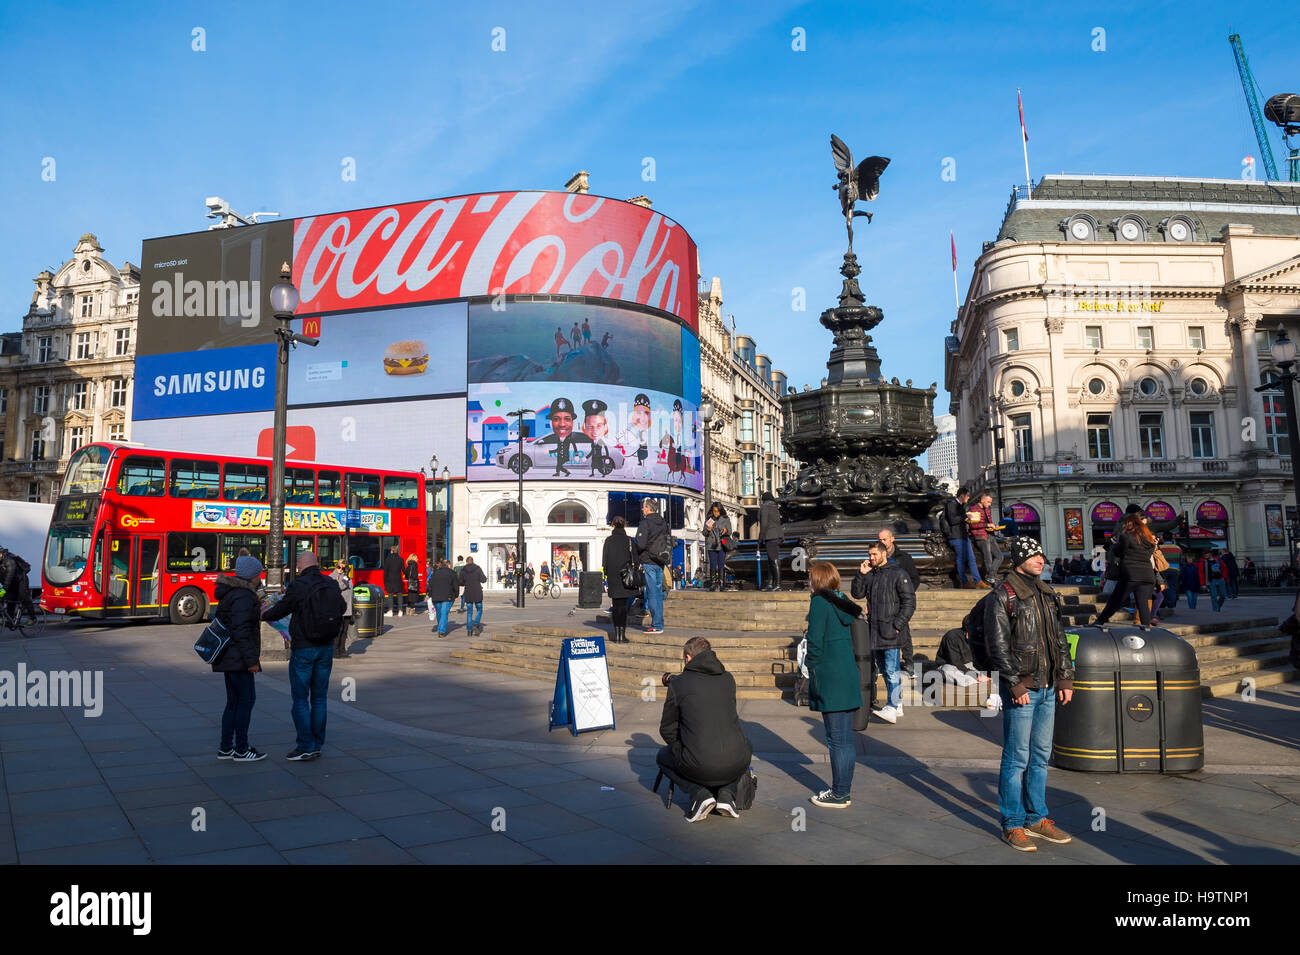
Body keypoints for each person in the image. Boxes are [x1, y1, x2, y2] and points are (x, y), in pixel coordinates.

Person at [983, 536, 1074, 852]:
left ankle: (1037, 818)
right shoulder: (1004, 595)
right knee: (1016, 757)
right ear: (1019, 558)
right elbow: (998, 646)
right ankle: (1012, 823)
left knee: (1040, 756)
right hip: (1023, 689)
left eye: (1041, 554)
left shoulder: (1047, 593)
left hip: (1048, 687)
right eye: (1033, 554)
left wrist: (1065, 678)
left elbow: (1059, 639)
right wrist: (1014, 683)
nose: (1040, 559)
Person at [658, 637, 754, 821]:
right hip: (735, 759)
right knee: (745, 748)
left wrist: (684, 745)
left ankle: (699, 794)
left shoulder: (679, 683)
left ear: (688, 658)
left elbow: (667, 729)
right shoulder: (728, 679)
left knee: (663, 756)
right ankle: (727, 793)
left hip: (699, 763)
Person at [262, 550, 344, 761]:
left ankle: (305, 745)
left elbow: (280, 610)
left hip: (304, 647)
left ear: (301, 564)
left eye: (297, 565)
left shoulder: (299, 585)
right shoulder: (330, 583)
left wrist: (263, 613)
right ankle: (317, 743)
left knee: (300, 698)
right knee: (319, 698)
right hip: (326, 646)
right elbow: (342, 607)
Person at [804, 561, 863, 809]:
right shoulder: (841, 600)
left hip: (830, 676)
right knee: (846, 740)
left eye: (810, 579)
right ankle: (842, 789)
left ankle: (840, 793)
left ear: (818, 581)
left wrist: (811, 667)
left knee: (836, 740)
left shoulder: (819, 601)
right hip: (848, 675)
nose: (808, 583)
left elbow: (814, 640)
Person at [852, 541, 916, 723]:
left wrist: (898, 624)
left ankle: (892, 706)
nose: (871, 558)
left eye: (874, 554)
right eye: (869, 555)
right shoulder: (871, 574)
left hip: (890, 631)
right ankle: (897, 702)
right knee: (886, 670)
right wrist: (860, 574)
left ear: (883, 553)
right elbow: (857, 594)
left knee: (891, 669)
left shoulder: (898, 573)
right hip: (875, 631)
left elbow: (909, 602)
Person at [213, 554, 266, 761]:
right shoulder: (243, 597)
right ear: (251, 575)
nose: (260, 577)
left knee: (233, 703)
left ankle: (226, 747)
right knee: (246, 701)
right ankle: (242, 749)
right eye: (258, 573)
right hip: (238, 658)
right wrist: (251, 661)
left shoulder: (232, 593)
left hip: (229, 656)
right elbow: (242, 630)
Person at [1093, 512, 1158, 630]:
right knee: (1143, 604)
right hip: (1147, 575)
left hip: (1130, 575)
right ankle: (1146, 628)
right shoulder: (1149, 539)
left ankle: (1100, 621)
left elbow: (1118, 551)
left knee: (1116, 600)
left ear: (1129, 523)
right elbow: (1148, 554)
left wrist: (1114, 544)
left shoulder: (1126, 536)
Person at [877, 528, 918, 671]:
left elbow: (914, 578)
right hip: (883, 601)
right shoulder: (877, 557)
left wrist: (906, 593)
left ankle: (908, 661)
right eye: (880, 540)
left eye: (885, 539)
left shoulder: (904, 558)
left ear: (892, 539)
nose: (882, 542)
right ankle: (883, 664)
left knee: (903, 629)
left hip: (900, 600)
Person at [636, 498, 670, 634]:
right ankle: (659, 622)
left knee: (652, 593)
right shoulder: (663, 522)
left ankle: (656, 624)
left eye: (644, 507)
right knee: (658, 591)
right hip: (660, 560)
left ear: (648, 508)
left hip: (649, 560)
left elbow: (641, 544)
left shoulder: (645, 523)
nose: (642, 509)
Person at [602, 517, 638, 643]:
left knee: (616, 605)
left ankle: (616, 634)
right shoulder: (629, 540)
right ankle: (622, 635)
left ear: (613, 525)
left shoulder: (608, 541)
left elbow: (604, 560)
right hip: (625, 576)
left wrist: (607, 573)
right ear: (624, 525)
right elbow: (635, 558)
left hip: (613, 577)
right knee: (623, 606)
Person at [941, 487, 980, 588]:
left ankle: (978, 581)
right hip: (955, 536)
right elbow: (953, 520)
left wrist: (967, 519)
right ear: (962, 495)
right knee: (961, 559)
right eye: (967, 495)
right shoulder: (951, 504)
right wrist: (966, 516)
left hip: (962, 535)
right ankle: (964, 581)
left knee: (971, 558)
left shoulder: (960, 505)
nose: (969, 497)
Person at [967, 491, 1004, 587]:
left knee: (1000, 556)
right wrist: (987, 525)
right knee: (988, 559)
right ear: (982, 500)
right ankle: (990, 577)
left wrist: (994, 527)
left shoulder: (987, 509)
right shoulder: (973, 509)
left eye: (990, 502)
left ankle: (991, 575)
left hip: (990, 535)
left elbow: (989, 522)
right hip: (981, 536)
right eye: (988, 502)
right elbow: (972, 525)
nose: (990, 504)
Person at [0, 546, 37, 624]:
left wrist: (3, 590)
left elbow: (9, 577)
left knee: (23, 597)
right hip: (10, 583)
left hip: (21, 580)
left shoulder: (10, 562)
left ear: (2, 553)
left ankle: (32, 617)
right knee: (10, 600)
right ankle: (11, 620)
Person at [758, 491, 784, 592]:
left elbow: (764, 524)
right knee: (771, 560)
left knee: (773, 560)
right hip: (778, 536)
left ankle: (777, 584)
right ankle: (770, 583)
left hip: (770, 536)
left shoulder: (764, 508)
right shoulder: (775, 508)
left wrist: (760, 538)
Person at [428, 558, 459, 636]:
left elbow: (430, 585)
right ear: (449, 565)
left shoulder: (435, 573)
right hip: (447, 596)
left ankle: (440, 627)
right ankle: (441, 630)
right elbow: (456, 586)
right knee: (444, 613)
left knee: (439, 613)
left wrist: (430, 595)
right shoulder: (452, 573)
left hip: (436, 596)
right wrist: (456, 595)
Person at [704, 503, 731, 592]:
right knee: (712, 564)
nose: (716, 513)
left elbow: (730, 531)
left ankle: (722, 584)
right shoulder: (710, 519)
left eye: (717, 511)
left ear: (720, 511)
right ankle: (713, 584)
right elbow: (704, 533)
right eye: (714, 511)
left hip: (721, 545)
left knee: (721, 565)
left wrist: (726, 531)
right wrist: (707, 530)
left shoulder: (725, 519)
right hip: (711, 545)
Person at [460, 555, 487, 636]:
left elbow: (460, 582)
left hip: (468, 592)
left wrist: (466, 582)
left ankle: (469, 630)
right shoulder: (478, 569)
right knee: (479, 609)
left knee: (469, 612)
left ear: (466, 562)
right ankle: (476, 624)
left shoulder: (463, 570)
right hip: (477, 592)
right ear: (473, 561)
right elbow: (483, 579)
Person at [330, 560, 353, 651]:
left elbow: (351, 592)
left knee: (344, 631)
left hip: (347, 608)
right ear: (336, 567)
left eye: (343, 568)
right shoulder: (332, 577)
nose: (341, 570)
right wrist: (346, 577)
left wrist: (352, 609)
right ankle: (335, 650)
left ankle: (342, 650)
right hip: (337, 608)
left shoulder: (347, 577)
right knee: (338, 631)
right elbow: (340, 587)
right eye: (339, 567)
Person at [383, 544, 406, 618]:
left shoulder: (388, 560)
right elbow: (404, 570)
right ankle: (400, 611)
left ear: (391, 551)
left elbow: (385, 572)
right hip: (398, 580)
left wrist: (385, 581)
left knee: (390, 595)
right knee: (399, 595)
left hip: (390, 580)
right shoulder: (401, 559)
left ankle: (390, 611)